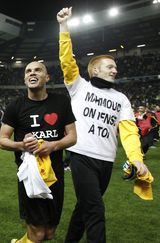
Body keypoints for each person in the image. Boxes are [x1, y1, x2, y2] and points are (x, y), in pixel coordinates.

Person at [57, 7, 151, 243]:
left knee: (84, 208)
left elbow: (129, 132)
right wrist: (63, 27)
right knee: (96, 210)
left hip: (106, 161)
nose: (115, 69)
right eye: (110, 66)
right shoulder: (79, 86)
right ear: (95, 69)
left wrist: (137, 158)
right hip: (81, 156)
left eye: (115, 67)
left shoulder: (122, 99)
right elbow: (67, 60)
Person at [0, 61, 77, 243]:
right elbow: (2, 140)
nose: (32, 73)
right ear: (25, 79)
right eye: (28, 71)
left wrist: (53, 145)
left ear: (47, 77)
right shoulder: (15, 106)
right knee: (38, 234)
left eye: (37, 70)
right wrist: (22, 146)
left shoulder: (61, 102)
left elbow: (72, 137)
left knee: (49, 233)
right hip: (30, 178)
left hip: (55, 175)